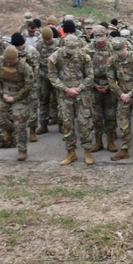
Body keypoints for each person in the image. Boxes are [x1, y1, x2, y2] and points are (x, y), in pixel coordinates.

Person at [49, 34, 95, 165]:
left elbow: (90, 76)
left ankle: (87, 151)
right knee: (67, 123)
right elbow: (52, 75)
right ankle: (71, 152)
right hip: (65, 95)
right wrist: (65, 88)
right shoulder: (55, 56)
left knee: (84, 123)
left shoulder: (84, 56)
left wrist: (79, 88)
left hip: (81, 94)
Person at [0, 44, 34, 161]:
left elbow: (29, 85)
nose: (9, 63)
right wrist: (1, 92)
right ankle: (9, 129)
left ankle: (22, 149)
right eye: (7, 61)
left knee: (20, 123)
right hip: (4, 93)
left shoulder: (24, 67)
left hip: (19, 96)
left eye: (12, 61)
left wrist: (15, 98)